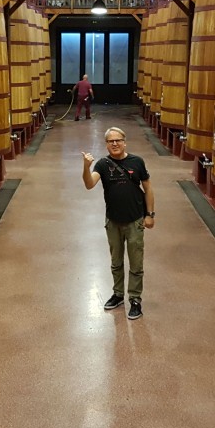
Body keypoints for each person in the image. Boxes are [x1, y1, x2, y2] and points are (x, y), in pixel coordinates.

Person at [81, 127, 155, 319]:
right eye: (110, 141)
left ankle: (136, 300)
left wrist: (150, 215)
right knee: (116, 262)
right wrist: (86, 167)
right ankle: (118, 294)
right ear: (106, 144)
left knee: (136, 263)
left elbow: (148, 188)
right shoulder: (103, 164)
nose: (115, 144)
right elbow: (90, 184)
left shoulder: (137, 162)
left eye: (118, 140)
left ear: (124, 141)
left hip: (135, 221)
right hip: (113, 221)